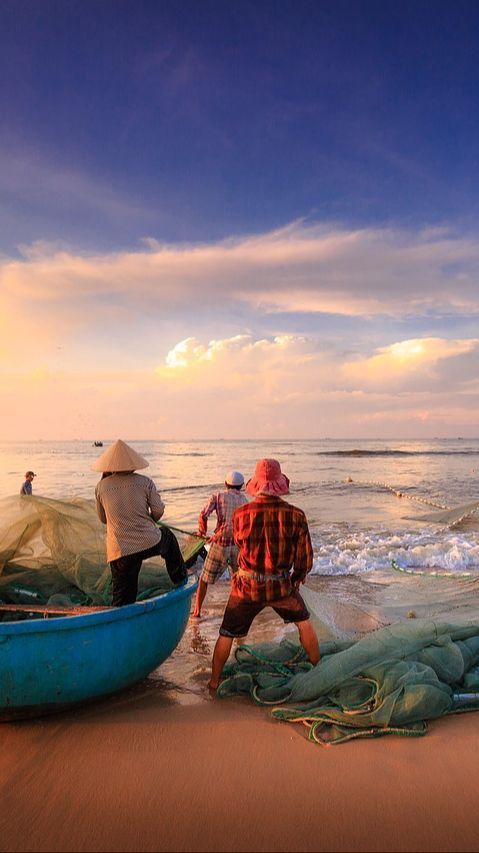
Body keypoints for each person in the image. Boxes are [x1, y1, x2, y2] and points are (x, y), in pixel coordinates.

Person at [209, 458, 320, 690]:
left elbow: (240, 545)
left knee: (227, 633)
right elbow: (305, 559)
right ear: (279, 485)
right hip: (281, 586)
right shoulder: (297, 515)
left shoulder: (241, 515)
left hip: (246, 588)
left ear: (256, 485)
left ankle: (214, 682)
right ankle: (318, 672)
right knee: (304, 623)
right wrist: (296, 578)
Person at [93, 439, 186, 607]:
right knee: (168, 537)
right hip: (148, 542)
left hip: (120, 550)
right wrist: (147, 517)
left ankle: (120, 624)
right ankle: (180, 579)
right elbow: (158, 511)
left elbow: (103, 519)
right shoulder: (145, 482)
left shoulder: (101, 487)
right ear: (133, 464)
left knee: (122, 597)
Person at [191, 471, 248, 619]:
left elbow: (203, 514)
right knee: (236, 580)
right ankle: (237, 611)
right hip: (237, 546)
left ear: (225, 484)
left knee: (204, 579)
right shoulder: (245, 500)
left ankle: (197, 612)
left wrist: (202, 532)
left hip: (220, 545)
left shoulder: (218, 496)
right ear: (241, 486)